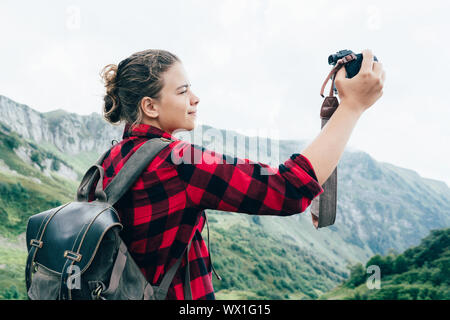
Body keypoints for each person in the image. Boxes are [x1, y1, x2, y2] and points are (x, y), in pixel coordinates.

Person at [99, 48, 385, 300]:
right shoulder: (177, 162)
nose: (195, 99)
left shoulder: (108, 161)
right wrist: (352, 106)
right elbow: (286, 190)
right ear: (150, 106)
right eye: (183, 91)